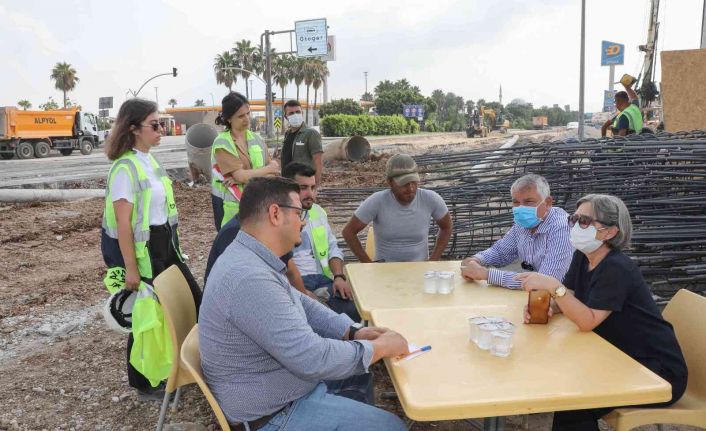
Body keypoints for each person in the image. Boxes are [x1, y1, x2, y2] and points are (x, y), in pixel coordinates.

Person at [200, 177, 409, 430]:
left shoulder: (250, 256)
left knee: (360, 372)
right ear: (275, 214)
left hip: (281, 387)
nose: (303, 222)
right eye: (299, 213)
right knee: (392, 426)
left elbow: (299, 301)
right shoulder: (249, 278)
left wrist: (352, 332)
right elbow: (312, 358)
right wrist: (379, 348)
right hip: (272, 414)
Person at [516, 194, 687, 431]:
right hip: (617, 356)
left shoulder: (617, 268)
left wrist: (553, 287)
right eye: (574, 219)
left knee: (576, 400)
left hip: (655, 371)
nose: (576, 226)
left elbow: (588, 320)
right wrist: (547, 309)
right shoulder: (583, 256)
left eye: (585, 221)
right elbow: (571, 296)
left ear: (609, 232)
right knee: (571, 390)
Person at [100, 98, 202, 400]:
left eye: (161, 124)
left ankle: (181, 367)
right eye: (155, 125)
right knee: (148, 316)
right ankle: (144, 384)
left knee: (190, 302)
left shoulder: (149, 161)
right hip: (145, 253)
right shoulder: (124, 169)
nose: (161, 130)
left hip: (165, 246)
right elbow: (123, 224)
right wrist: (131, 269)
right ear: (134, 129)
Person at [461, 174, 572, 289]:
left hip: (565, 296)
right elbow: (501, 252)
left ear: (547, 203)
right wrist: (476, 260)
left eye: (529, 202)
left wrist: (486, 274)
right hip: (537, 295)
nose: (521, 208)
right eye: (516, 202)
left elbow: (544, 282)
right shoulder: (523, 224)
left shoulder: (562, 228)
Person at [283, 162, 361, 321]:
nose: (310, 194)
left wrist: (339, 276)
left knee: (353, 313)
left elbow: (332, 248)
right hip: (291, 284)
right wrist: (302, 292)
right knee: (319, 320)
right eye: (303, 188)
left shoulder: (318, 212)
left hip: (320, 279)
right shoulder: (278, 218)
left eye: (313, 188)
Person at [342, 153, 452, 263]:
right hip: (385, 268)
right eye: (404, 183)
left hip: (419, 267)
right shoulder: (377, 201)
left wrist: (433, 260)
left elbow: (447, 227)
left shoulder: (430, 199)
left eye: (413, 182)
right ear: (390, 182)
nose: (410, 188)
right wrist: (367, 264)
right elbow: (348, 232)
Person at [203, 214, 319, 302]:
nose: (303, 222)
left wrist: (306, 300)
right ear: (274, 211)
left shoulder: (263, 229)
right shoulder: (236, 233)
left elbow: (290, 271)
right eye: (297, 213)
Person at [211, 92, 280, 230]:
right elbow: (241, 176)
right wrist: (268, 169)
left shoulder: (257, 139)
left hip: (259, 204)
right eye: (241, 116)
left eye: (248, 113)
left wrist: (245, 177)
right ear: (229, 119)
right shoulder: (223, 143)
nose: (247, 118)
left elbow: (274, 175)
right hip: (231, 210)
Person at [280, 100, 323, 185]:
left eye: (298, 112)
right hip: (287, 183)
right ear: (286, 117)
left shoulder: (311, 133)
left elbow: (318, 162)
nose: (295, 115)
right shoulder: (287, 134)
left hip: (303, 184)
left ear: (302, 113)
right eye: (291, 113)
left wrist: (315, 187)